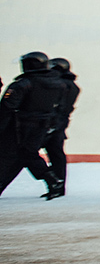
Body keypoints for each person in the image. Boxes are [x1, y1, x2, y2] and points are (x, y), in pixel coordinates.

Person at [0, 52, 66, 200]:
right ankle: (52, 179)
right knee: (26, 154)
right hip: (42, 126)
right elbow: (59, 107)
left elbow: (7, 107)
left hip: (18, 127)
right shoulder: (57, 84)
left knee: (10, 156)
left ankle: (51, 179)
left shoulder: (24, 84)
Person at [46, 57, 80, 194]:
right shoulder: (72, 85)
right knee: (56, 154)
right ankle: (58, 185)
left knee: (27, 154)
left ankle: (54, 181)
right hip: (61, 122)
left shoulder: (59, 84)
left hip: (52, 122)